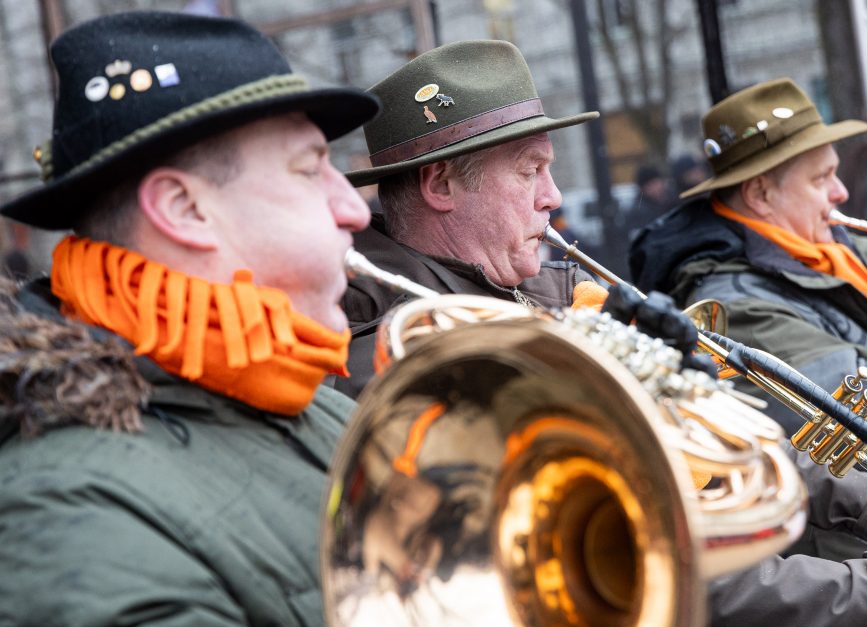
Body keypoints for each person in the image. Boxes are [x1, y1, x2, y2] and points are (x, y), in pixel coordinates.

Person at [0, 11, 380, 623]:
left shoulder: (302, 393)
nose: (354, 209)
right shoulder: (69, 511)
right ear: (184, 210)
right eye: (310, 169)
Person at [629, 77, 867, 624]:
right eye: (822, 178)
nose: (841, 193)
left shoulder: (823, 260)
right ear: (761, 195)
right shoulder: (734, 303)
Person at [337, 39, 604, 399]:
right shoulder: (382, 342)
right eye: (530, 171)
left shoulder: (569, 292)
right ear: (442, 185)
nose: (552, 197)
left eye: (547, 169)